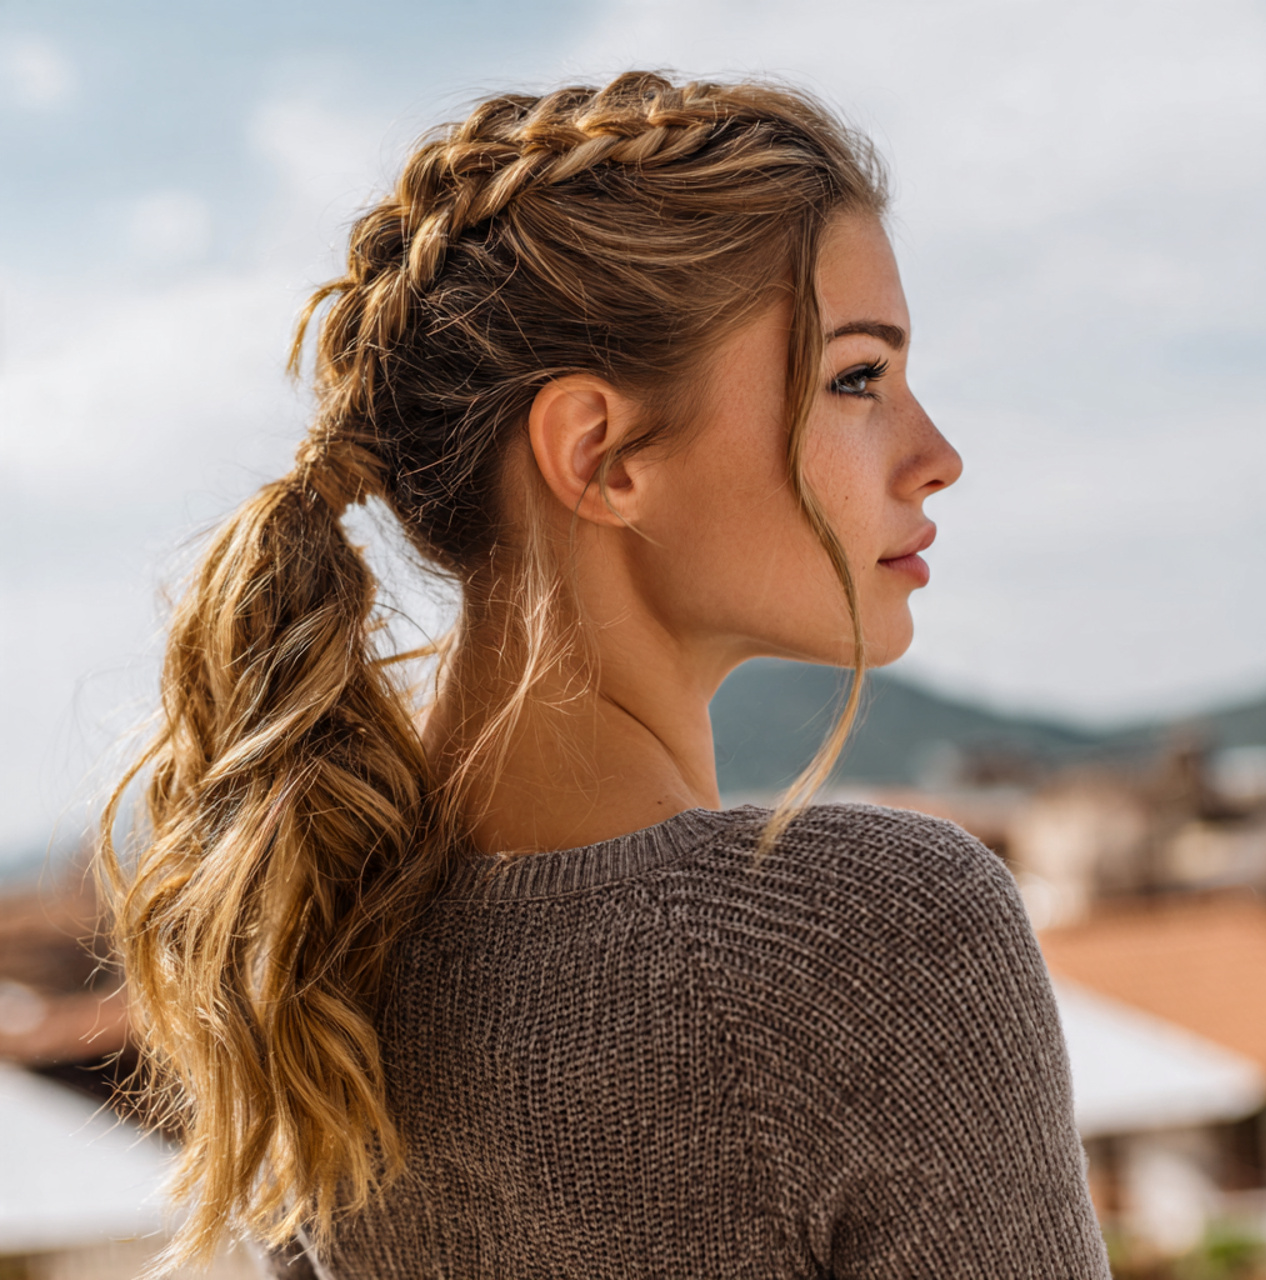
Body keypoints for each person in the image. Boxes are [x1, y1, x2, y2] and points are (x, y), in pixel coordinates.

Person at [100, 73, 1110, 1278]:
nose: (935, 456)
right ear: (600, 452)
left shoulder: (316, 952)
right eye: (855, 377)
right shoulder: (866, 942)